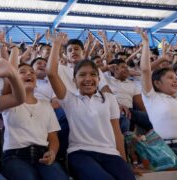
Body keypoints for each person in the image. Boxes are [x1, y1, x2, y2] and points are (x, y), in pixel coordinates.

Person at [46, 32, 135, 180]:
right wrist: (56, 45)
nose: (88, 79)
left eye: (93, 75)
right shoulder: (69, 99)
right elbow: (51, 73)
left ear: (99, 79)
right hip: (80, 153)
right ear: (74, 80)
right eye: (82, 75)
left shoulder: (109, 99)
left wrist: (124, 163)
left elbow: (117, 133)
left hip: (110, 153)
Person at [1, 47, 68, 180]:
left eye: (32, 72)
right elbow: (9, 76)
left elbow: (53, 138)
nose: (29, 74)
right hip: (15, 157)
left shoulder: (45, 104)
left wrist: (52, 152)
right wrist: (14, 50)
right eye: (22, 72)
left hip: (42, 155)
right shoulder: (9, 101)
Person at [136, 27, 177, 168]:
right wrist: (145, 43)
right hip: (167, 149)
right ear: (156, 82)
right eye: (170, 78)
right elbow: (145, 70)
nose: (175, 80)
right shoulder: (152, 98)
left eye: (175, 78)